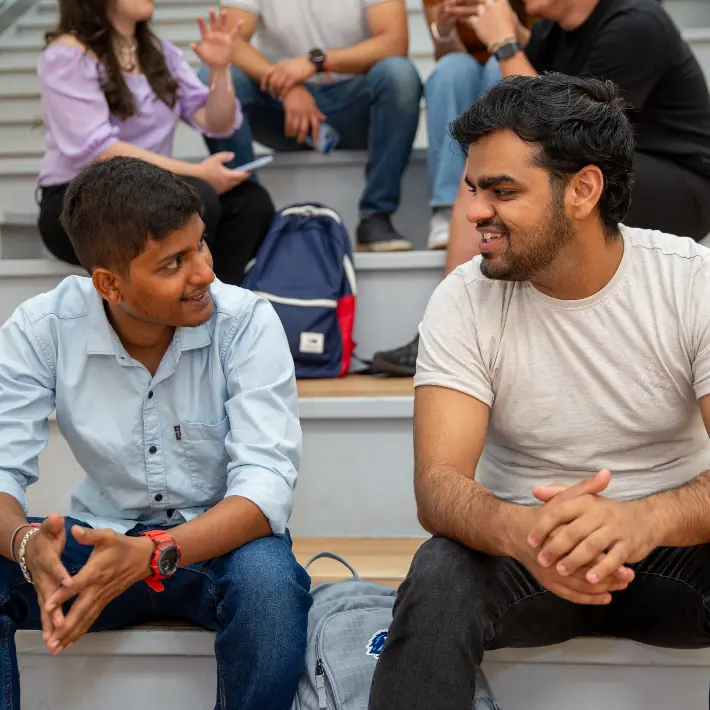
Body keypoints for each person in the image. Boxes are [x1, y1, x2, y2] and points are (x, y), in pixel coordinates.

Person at [367, 74, 710, 710]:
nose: (473, 213)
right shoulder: (462, 298)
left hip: (672, 553)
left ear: (583, 190)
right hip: (525, 551)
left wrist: (643, 519)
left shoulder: (691, 282)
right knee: (440, 573)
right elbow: (438, 487)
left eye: (502, 191)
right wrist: (524, 530)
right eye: (473, 189)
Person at [0, 157, 311, 710]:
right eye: (173, 263)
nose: (204, 274)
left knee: (271, 589)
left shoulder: (244, 321)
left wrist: (149, 554)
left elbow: (264, 491)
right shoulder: (41, 328)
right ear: (109, 284)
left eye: (201, 247)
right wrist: (27, 548)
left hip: (218, 543)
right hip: (97, 541)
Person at [372, 0, 710, 375]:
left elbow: (566, 133)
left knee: (542, 176)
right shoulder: (551, 32)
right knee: (489, 180)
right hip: (602, 166)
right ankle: (448, 326)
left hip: (678, 181)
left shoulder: (636, 24)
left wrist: (504, 43)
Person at [37, 0, 275, 285]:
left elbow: (217, 122)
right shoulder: (67, 54)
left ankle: (210, 309)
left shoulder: (160, 53)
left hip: (149, 191)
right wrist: (198, 172)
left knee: (251, 204)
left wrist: (219, 70)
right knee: (195, 200)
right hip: (78, 200)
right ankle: (173, 308)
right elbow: (97, 149)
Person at [205, 0, 423, 252]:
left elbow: (394, 42)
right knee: (217, 79)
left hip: (356, 107)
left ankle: (376, 215)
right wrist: (287, 86)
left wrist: (315, 61)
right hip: (282, 112)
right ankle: (248, 217)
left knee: (399, 74)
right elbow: (231, 41)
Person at [421, 0, 527, 250]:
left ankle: (505, 194)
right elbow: (447, 53)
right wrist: (446, 32)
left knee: (497, 69)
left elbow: (544, 46)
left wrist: (504, 22)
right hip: (465, 67)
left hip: (516, 56)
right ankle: (446, 209)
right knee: (452, 68)